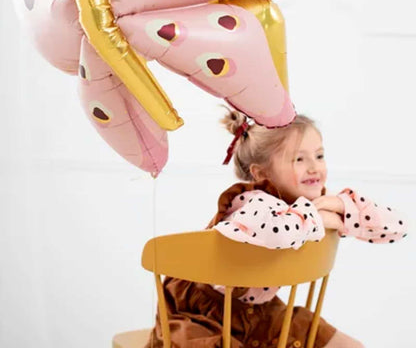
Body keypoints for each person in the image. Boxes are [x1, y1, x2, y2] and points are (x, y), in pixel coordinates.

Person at [146, 110, 407, 348]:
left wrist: (340, 205)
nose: (314, 167)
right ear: (261, 174)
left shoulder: (315, 204)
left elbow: (397, 227)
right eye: (299, 159)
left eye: (319, 155)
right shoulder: (252, 203)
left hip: (262, 312)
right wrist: (323, 218)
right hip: (202, 315)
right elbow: (279, 232)